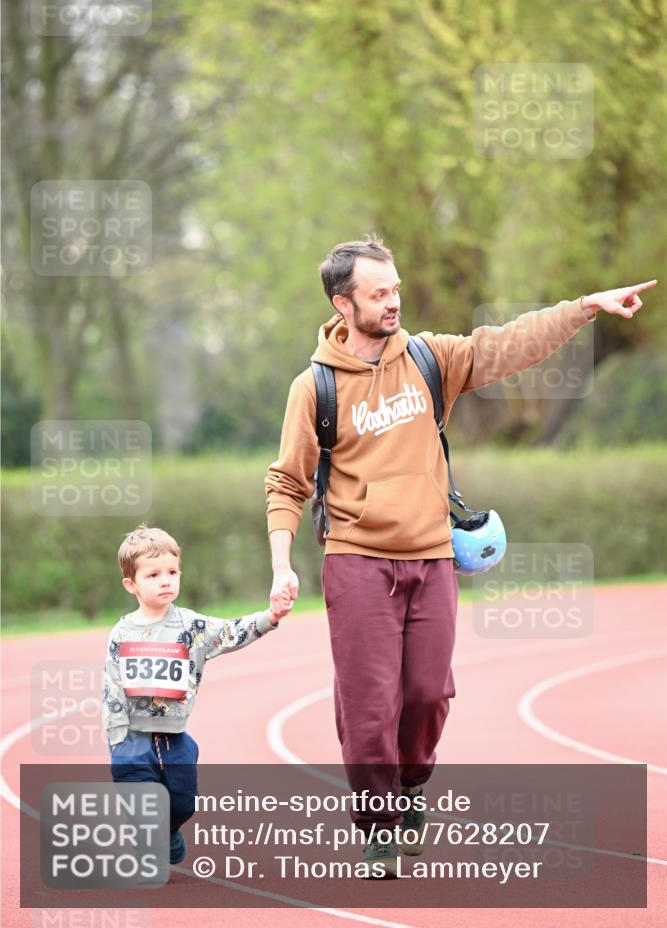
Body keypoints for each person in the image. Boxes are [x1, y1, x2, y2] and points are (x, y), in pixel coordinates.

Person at [265, 236, 656, 877]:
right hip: (356, 560)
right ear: (343, 302)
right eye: (378, 293)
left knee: (427, 693)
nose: (394, 301)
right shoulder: (314, 389)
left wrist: (583, 307)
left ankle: (412, 783)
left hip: (432, 555)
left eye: (395, 288)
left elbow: (504, 345)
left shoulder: (429, 358)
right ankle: (378, 827)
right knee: (367, 703)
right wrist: (283, 563)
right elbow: (286, 481)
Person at [102, 523, 294, 865]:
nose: (165, 580)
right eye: (153, 575)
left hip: (174, 737)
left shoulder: (191, 627)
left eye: (172, 572)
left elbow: (231, 632)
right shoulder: (122, 632)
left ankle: (168, 830)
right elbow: (112, 684)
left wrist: (271, 616)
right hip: (133, 737)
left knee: (184, 802)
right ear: (130, 584)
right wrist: (116, 737)